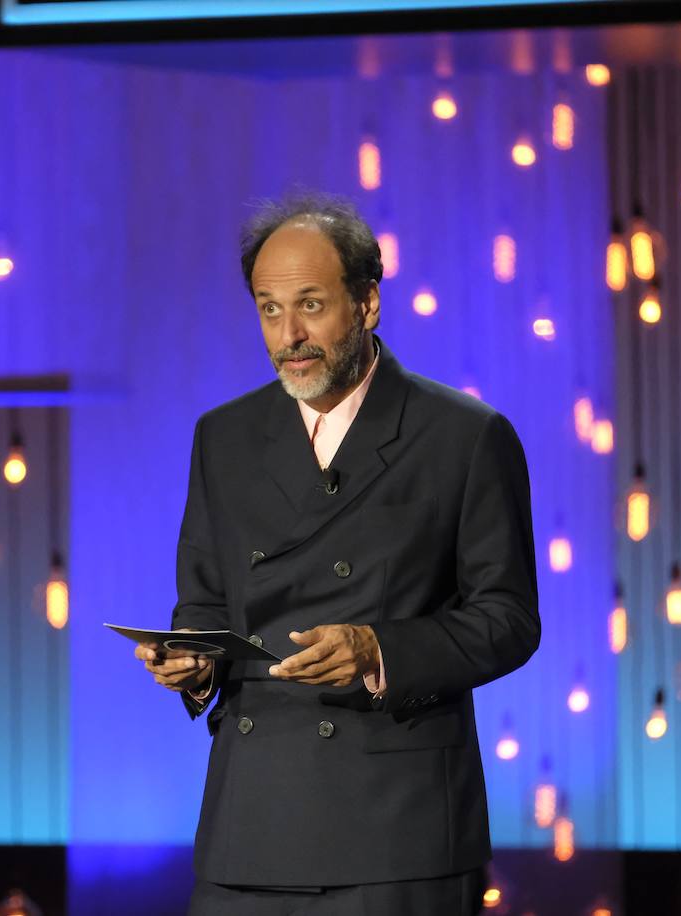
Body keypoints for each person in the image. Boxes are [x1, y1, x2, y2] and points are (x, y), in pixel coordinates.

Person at [134, 191, 540, 915]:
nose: (289, 334)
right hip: (250, 822)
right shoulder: (222, 438)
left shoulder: (463, 436)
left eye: (311, 305)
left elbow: (508, 619)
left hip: (395, 827)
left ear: (368, 304)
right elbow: (203, 599)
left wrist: (379, 648)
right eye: (269, 309)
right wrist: (193, 662)